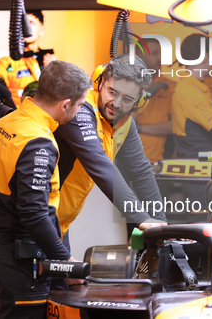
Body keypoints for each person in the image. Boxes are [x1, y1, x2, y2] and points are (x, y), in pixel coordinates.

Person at [0, 60, 89, 319]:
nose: (79, 112)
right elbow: (34, 214)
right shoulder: (37, 142)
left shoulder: (8, 122)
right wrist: (65, 262)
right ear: (65, 104)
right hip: (17, 262)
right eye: (80, 105)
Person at [54, 54, 168, 243]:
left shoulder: (123, 122)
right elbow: (100, 164)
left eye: (127, 99)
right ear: (100, 83)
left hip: (58, 222)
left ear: (139, 101)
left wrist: (162, 226)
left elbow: (140, 171)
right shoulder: (80, 109)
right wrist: (141, 218)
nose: (116, 103)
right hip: (34, 216)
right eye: (112, 92)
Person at [171, 34, 212, 223]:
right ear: (205, 56)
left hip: (204, 172)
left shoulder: (196, 88)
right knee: (202, 227)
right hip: (198, 174)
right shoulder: (189, 91)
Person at [0, 10, 56, 106]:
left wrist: (56, 70)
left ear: (41, 30)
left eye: (30, 23)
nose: (25, 27)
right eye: (21, 23)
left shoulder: (50, 61)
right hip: (16, 117)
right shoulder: (4, 63)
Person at [133, 38, 176, 164]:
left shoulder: (171, 86)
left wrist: (139, 128)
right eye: (155, 53)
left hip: (160, 161)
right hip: (131, 159)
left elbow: (174, 126)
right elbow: (123, 125)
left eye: (161, 53)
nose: (160, 58)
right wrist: (145, 95)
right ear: (140, 57)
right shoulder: (130, 85)